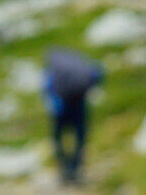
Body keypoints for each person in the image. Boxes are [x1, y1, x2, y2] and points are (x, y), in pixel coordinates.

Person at [43, 49, 103, 184]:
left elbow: (47, 89)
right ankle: (76, 170)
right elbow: (97, 74)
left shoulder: (53, 69)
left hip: (61, 109)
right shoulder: (80, 64)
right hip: (79, 106)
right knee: (80, 139)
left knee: (58, 139)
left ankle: (64, 171)